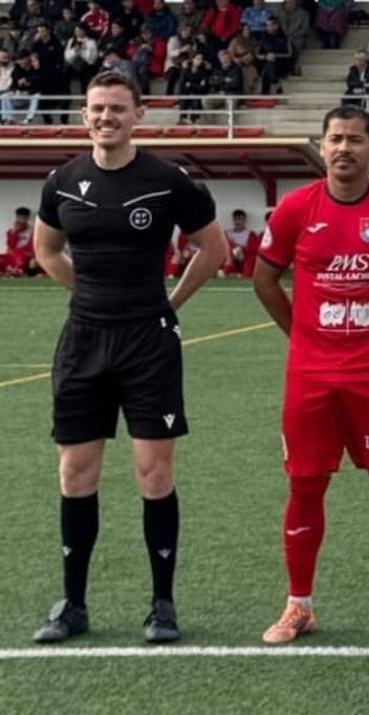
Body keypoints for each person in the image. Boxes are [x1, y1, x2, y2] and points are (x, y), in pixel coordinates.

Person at [29, 71, 226, 644]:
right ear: (84, 115)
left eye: (117, 108)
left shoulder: (168, 180)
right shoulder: (63, 181)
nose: (105, 117)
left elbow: (213, 248)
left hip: (148, 343)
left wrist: (170, 303)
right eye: (97, 108)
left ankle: (162, 605)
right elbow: (47, 249)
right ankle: (73, 605)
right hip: (84, 340)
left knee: (154, 473)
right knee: (75, 472)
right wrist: (89, 295)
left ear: (139, 114)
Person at [253, 105, 369, 646]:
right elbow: (265, 280)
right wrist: (302, 335)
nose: (344, 148)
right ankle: (299, 606)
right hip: (310, 377)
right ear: (321, 146)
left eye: (355, 140)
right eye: (335, 139)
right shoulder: (295, 209)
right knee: (305, 485)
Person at [222, 209, 259, 278]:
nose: (238, 222)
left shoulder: (250, 234)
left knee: (251, 258)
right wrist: (233, 250)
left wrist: (242, 251)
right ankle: (226, 273)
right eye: (236, 219)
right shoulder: (227, 233)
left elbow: (254, 251)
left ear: (244, 220)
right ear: (233, 220)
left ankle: (244, 275)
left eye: (240, 219)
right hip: (230, 257)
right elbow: (222, 246)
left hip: (244, 259)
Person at [2, 205, 38, 275]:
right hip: (13, 255)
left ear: (27, 218)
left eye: (24, 218)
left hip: (25, 255)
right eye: (20, 218)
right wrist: (14, 232)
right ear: (17, 218)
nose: (22, 220)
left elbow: (34, 247)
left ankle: (15, 271)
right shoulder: (11, 232)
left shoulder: (33, 231)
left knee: (23, 259)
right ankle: (10, 271)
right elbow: (10, 246)